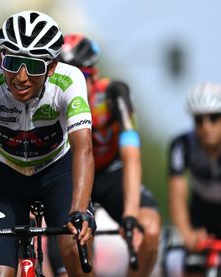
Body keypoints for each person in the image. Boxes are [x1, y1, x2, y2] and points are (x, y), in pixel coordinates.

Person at [0, 10, 96, 277]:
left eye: (34, 66)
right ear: (0, 58)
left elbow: (83, 149)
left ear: (51, 67)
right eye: (13, 63)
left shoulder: (70, 80)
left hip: (58, 174)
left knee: (73, 247)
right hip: (6, 181)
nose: (21, 77)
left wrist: (78, 210)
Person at [47, 33, 161, 277]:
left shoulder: (113, 94)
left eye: (78, 78)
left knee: (149, 229)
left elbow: (131, 155)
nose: (71, 86)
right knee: (71, 253)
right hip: (70, 176)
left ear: (93, 75)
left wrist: (130, 213)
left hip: (110, 174)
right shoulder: (50, 101)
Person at [167, 82, 221, 276]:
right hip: (200, 212)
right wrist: (187, 233)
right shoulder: (182, 145)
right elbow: (176, 195)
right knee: (189, 265)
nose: (206, 126)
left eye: (214, 118)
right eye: (199, 119)